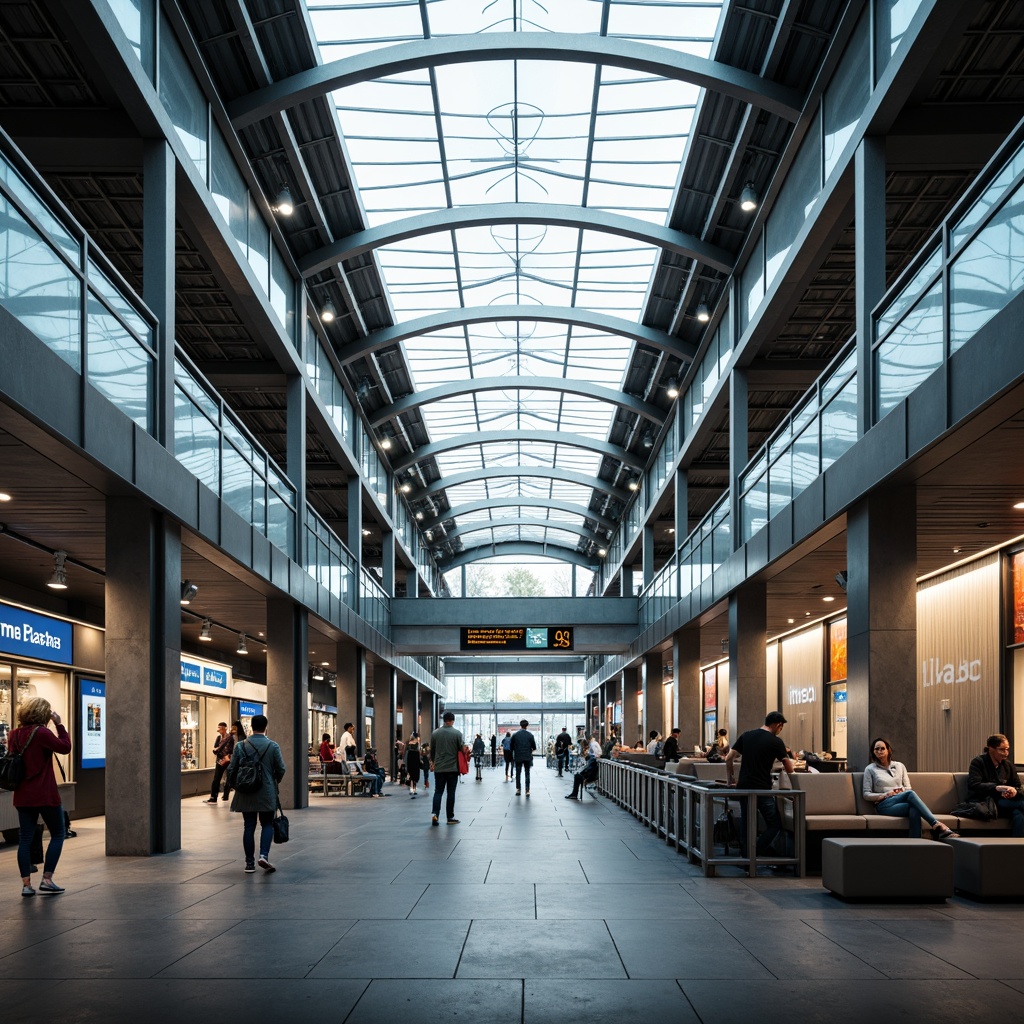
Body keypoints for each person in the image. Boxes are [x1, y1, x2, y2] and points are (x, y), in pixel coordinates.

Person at [10, 697, 71, 897]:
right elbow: (65, 747)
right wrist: (59, 724)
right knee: (58, 833)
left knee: (25, 838)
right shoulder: (42, 733)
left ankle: (26, 885)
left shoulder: (14, 734)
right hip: (45, 794)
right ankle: (47, 879)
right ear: (43, 714)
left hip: (22, 794)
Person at [725, 711, 795, 859]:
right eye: (781, 728)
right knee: (774, 823)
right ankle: (756, 850)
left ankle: (746, 857)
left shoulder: (747, 735)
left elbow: (728, 758)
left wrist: (730, 779)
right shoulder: (776, 741)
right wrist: (797, 782)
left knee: (746, 821)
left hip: (743, 786)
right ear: (778, 725)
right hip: (762, 788)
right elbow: (788, 766)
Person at [863, 737, 958, 839]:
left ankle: (915, 842)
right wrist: (884, 795)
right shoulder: (870, 769)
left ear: (888, 750)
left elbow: (908, 787)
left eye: (882, 748)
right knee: (910, 794)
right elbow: (866, 794)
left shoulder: (900, 766)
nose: (879, 751)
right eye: (876, 749)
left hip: (899, 800)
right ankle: (936, 824)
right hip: (884, 805)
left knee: (914, 809)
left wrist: (899, 791)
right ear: (873, 752)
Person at [227, 714, 286, 873]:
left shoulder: (240, 746)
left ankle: (249, 863)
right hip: (266, 791)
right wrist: (273, 781)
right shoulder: (272, 746)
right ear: (266, 727)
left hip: (246, 791)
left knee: (249, 826)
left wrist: (235, 785)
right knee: (267, 823)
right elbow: (281, 768)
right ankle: (263, 855)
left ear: (251, 727)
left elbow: (231, 768)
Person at [968, 733, 1024, 836]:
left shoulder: (1008, 765)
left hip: (1007, 802)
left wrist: (1014, 792)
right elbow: (974, 784)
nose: (1006, 753)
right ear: (991, 749)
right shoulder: (978, 762)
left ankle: (1017, 848)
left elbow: (1018, 786)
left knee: (1019, 814)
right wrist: (996, 788)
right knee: (1021, 805)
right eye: (1002, 749)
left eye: (1007, 749)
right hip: (988, 802)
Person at [429, 711, 464, 825]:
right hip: (452, 768)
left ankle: (435, 814)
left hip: (439, 768)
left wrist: (433, 762)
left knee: (438, 791)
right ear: (453, 720)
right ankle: (450, 817)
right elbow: (462, 749)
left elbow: (432, 751)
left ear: (444, 720)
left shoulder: (435, 733)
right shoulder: (457, 733)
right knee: (451, 792)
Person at [205, 721, 234, 803]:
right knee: (216, 778)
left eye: (220, 728)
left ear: (224, 728)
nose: (219, 730)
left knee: (228, 778)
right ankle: (213, 796)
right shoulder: (219, 737)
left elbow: (230, 749)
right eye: (218, 728)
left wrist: (220, 751)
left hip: (227, 759)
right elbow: (215, 747)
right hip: (219, 760)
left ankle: (225, 795)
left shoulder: (229, 737)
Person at [510, 719, 537, 796]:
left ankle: (518, 789)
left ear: (520, 725)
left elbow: (511, 747)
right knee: (527, 773)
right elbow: (534, 747)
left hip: (518, 756)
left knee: (518, 773)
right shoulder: (530, 735)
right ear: (527, 726)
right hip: (527, 757)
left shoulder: (515, 735)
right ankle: (527, 790)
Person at [222, 720, 245, 802]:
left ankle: (227, 794)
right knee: (230, 775)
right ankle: (226, 794)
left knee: (231, 775)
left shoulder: (240, 737)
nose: (233, 728)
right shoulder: (233, 736)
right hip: (234, 758)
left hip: (237, 758)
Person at [406, 732, 423, 798]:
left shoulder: (408, 743)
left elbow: (405, 752)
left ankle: (411, 789)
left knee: (410, 774)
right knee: (415, 775)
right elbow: (419, 752)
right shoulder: (417, 744)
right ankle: (414, 789)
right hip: (416, 760)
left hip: (410, 759)